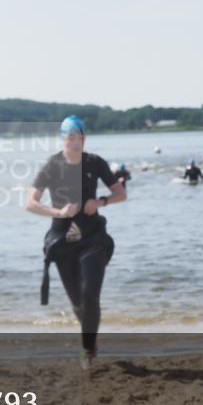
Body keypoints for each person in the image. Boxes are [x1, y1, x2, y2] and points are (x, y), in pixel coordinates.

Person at [27, 115, 126, 368]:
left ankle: (86, 351)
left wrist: (101, 202)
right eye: (68, 136)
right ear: (63, 138)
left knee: (89, 293)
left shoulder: (95, 162)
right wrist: (58, 212)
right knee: (78, 303)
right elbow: (31, 203)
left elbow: (120, 193)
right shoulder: (52, 165)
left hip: (93, 237)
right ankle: (90, 340)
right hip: (62, 241)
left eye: (77, 135)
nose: (73, 140)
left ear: (84, 137)